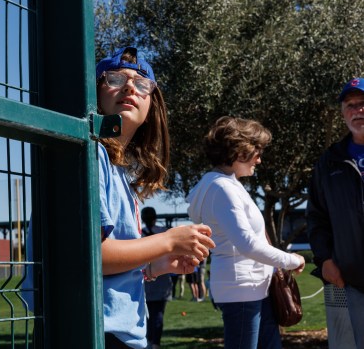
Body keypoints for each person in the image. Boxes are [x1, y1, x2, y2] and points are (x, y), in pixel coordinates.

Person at [23, 46, 215, 349]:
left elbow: (111, 268)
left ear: (152, 106)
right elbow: (91, 257)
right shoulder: (90, 154)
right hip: (90, 333)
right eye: (114, 78)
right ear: (95, 92)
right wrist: (169, 240)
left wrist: (157, 266)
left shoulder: (116, 169)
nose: (129, 86)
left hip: (114, 333)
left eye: (141, 85)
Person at [186, 116, 305, 349]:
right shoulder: (222, 188)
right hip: (241, 290)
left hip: (251, 288)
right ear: (240, 151)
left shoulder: (222, 184)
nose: (259, 160)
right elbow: (247, 244)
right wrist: (292, 260)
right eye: (257, 152)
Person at [307, 77, 364, 348]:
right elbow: (317, 216)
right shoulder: (329, 162)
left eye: (363, 104)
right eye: (350, 105)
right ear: (343, 113)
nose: (357, 111)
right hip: (353, 280)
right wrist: (325, 259)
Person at [141, 207, 172, 349]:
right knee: (158, 314)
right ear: (155, 217)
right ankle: (155, 343)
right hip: (162, 281)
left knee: (146, 314)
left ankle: (147, 341)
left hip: (145, 281)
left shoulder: (138, 235)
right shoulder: (165, 233)